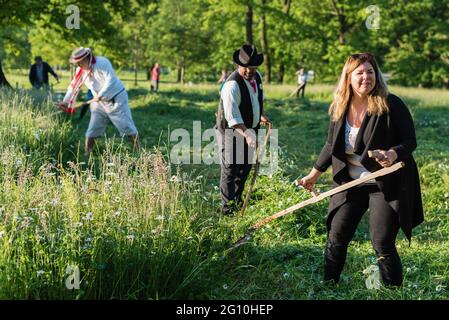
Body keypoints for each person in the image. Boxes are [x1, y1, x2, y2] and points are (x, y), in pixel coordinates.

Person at [296, 53, 423, 287]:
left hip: (384, 183)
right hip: (350, 182)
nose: (366, 77)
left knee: (381, 241)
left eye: (371, 71)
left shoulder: (390, 103)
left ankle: (394, 291)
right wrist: (313, 175)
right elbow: (330, 144)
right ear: (348, 77)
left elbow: (410, 141)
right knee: (336, 236)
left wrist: (393, 154)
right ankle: (328, 286)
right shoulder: (340, 107)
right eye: (360, 72)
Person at [215, 44, 272, 215]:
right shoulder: (231, 86)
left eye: (253, 67)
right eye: (246, 67)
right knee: (231, 169)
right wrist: (247, 133)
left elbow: (256, 99)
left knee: (245, 167)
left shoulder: (258, 77)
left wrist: (260, 114)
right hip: (232, 130)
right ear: (238, 65)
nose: (249, 71)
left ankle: (237, 202)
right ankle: (227, 209)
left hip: (251, 130)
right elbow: (232, 117)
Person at [58, 47, 140, 154]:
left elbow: (111, 80)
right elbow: (73, 86)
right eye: (76, 63)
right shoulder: (81, 71)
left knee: (127, 126)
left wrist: (101, 94)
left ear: (87, 58)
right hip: (98, 102)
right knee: (93, 128)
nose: (78, 65)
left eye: (80, 62)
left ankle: (139, 152)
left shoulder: (102, 63)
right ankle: (88, 154)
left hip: (116, 99)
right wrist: (65, 101)